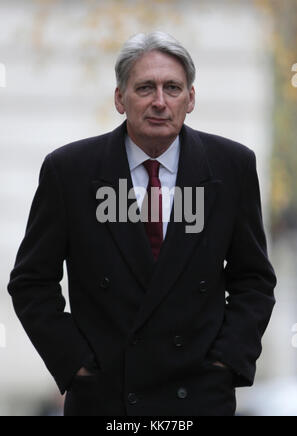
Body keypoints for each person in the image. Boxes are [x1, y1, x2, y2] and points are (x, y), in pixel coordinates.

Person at [8, 31, 276, 416]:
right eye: (145, 88)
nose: (160, 102)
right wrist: (75, 363)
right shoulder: (69, 171)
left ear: (191, 98)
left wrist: (227, 361)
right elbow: (31, 282)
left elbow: (254, 279)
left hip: (198, 397)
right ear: (120, 98)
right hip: (106, 398)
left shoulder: (232, 166)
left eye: (173, 88)